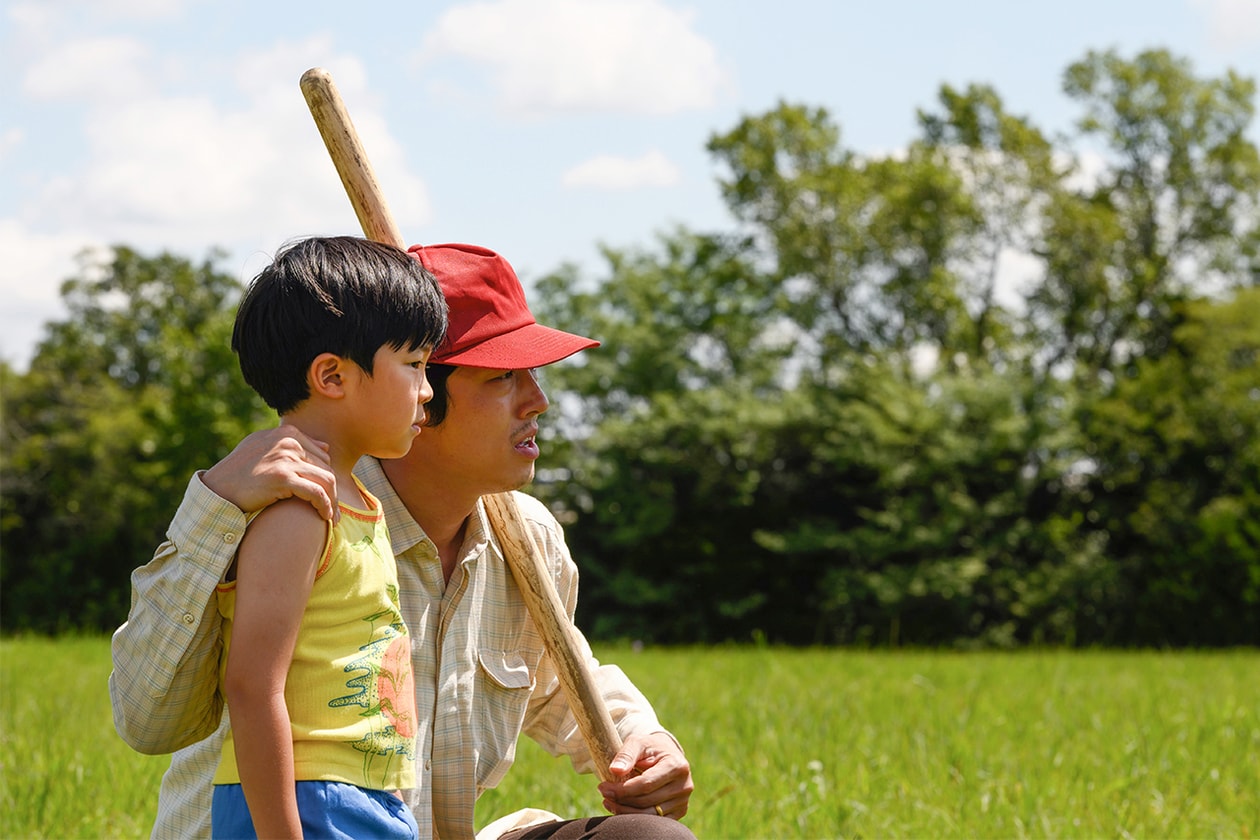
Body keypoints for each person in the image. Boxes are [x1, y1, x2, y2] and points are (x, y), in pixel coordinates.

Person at [109, 242, 697, 840]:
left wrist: (644, 740)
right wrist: (212, 507)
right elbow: (146, 721)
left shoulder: (529, 538)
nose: (538, 401)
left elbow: (561, 679)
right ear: (424, 393)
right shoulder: (290, 507)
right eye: (501, 378)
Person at [210, 235, 447, 839]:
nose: (427, 390)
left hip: (362, 795)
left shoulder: (360, 503)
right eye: (415, 365)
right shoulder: (298, 511)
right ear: (332, 376)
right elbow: (251, 684)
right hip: (308, 801)